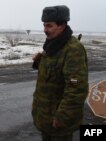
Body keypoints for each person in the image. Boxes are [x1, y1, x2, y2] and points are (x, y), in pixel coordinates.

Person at [31, 5, 88, 141]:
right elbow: (54, 72)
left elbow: (76, 89)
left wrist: (63, 117)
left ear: (62, 26)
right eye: (44, 25)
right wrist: (39, 61)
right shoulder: (53, 44)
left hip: (58, 121)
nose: (45, 30)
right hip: (45, 116)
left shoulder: (73, 50)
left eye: (49, 26)